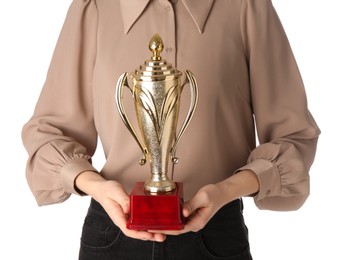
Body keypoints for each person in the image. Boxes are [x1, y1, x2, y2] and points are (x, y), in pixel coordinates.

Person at [22, 0, 320, 259]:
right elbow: (50, 132)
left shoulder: (246, 6)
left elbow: (293, 135)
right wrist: (98, 187)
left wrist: (226, 190)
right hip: (112, 235)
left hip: (215, 235)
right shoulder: (95, 7)